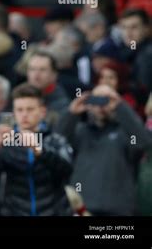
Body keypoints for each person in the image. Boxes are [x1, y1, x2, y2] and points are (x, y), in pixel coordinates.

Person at [57, 84, 152, 215]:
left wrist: (121, 107)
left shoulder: (126, 133)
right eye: (97, 100)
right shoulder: (80, 131)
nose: (101, 106)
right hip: (82, 208)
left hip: (118, 209)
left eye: (106, 99)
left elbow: (143, 143)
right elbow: (57, 143)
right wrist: (71, 113)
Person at [0, 83, 73, 216]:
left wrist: (40, 151)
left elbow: (67, 171)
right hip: (15, 212)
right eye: (19, 110)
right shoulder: (6, 141)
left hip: (54, 212)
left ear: (42, 112)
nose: (24, 115)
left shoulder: (55, 139)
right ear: (13, 113)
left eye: (30, 109)